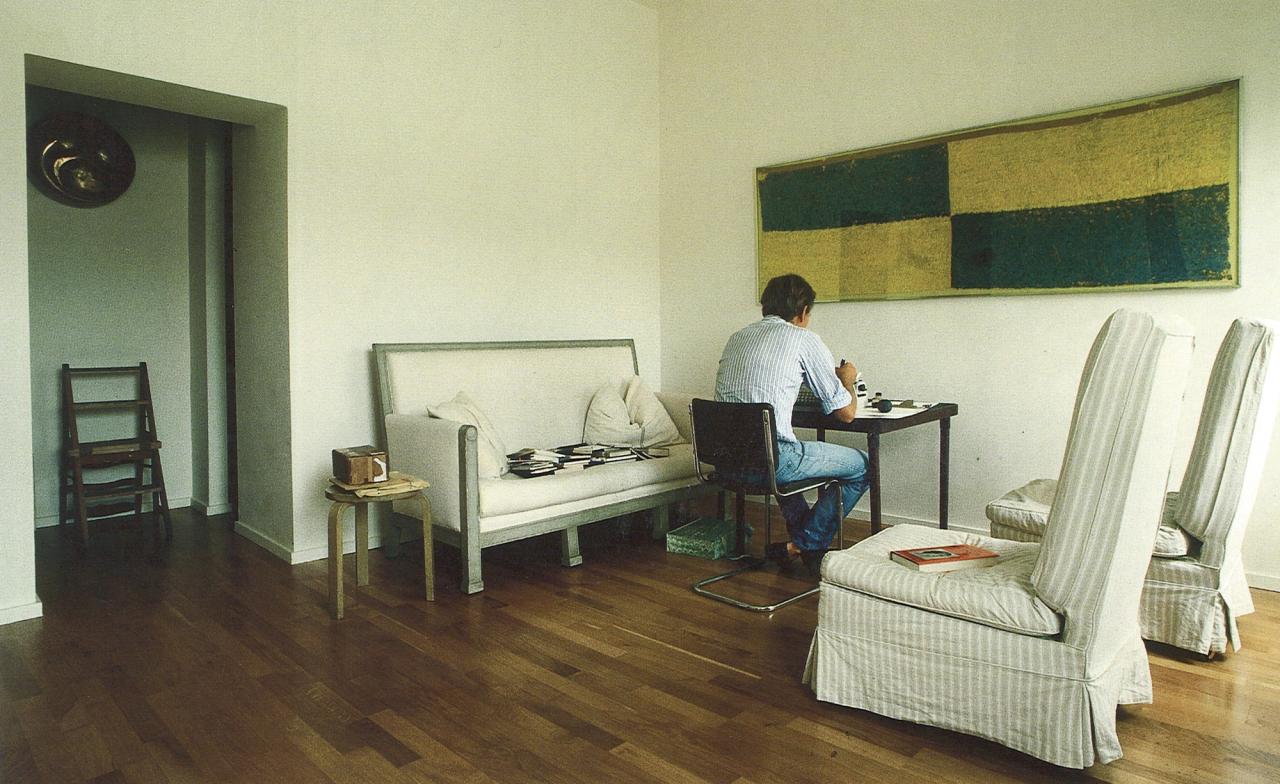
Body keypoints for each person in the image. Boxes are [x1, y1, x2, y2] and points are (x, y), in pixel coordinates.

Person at [714, 273, 870, 576]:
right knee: (862, 466)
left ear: (765, 308)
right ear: (803, 312)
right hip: (770, 463)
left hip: (725, 462)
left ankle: (801, 546)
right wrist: (846, 381)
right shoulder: (803, 339)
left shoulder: (737, 338)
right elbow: (846, 414)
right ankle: (803, 545)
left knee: (776, 458)